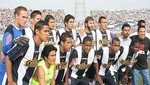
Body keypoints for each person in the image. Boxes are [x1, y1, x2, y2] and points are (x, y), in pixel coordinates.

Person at [2, 20, 50, 85]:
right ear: (37, 31)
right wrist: (10, 81)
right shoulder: (26, 43)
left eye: (48, 31)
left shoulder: (41, 46)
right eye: (45, 31)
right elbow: (8, 58)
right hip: (15, 82)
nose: (48, 34)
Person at [0, 6, 28, 85]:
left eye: (26, 17)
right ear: (16, 16)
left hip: (15, 68)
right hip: (6, 69)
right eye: (23, 17)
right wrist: (14, 43)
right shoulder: (10, 29)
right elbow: (5, 50)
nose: (25, 20)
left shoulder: (22, 31)